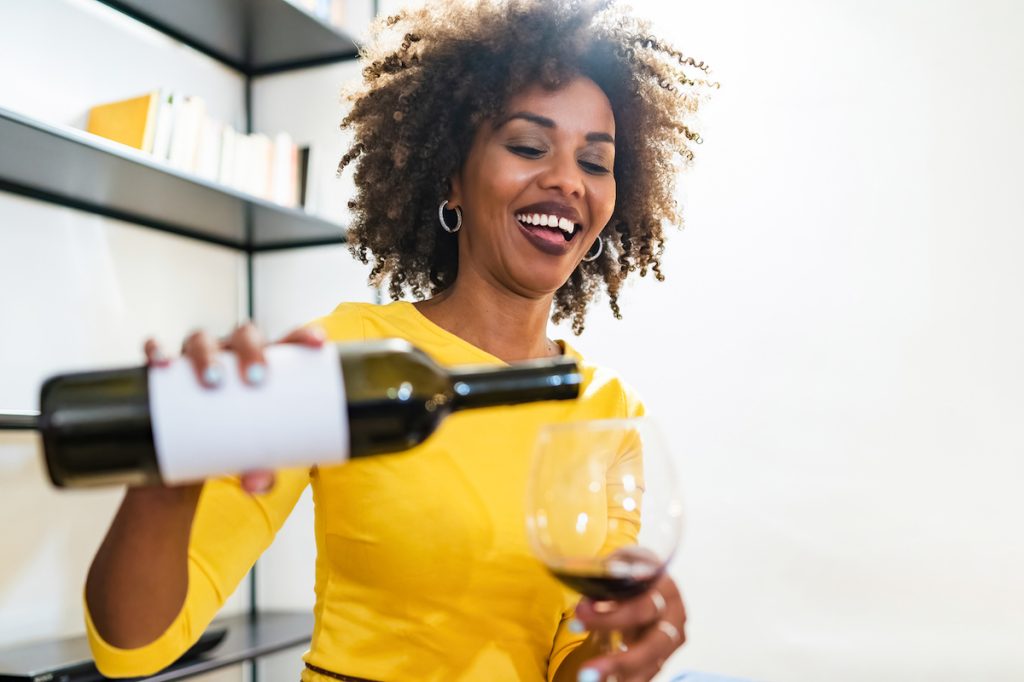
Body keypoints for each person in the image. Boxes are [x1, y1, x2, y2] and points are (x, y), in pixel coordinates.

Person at [83, 1, 715, 680]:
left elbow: (574, 660)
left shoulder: (608, 411)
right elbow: (134, 647)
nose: (566, 180)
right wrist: (163, 487)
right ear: (452, 175)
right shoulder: (347, 357)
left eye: (596, 162)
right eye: (529, 146)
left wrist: (623, 643)